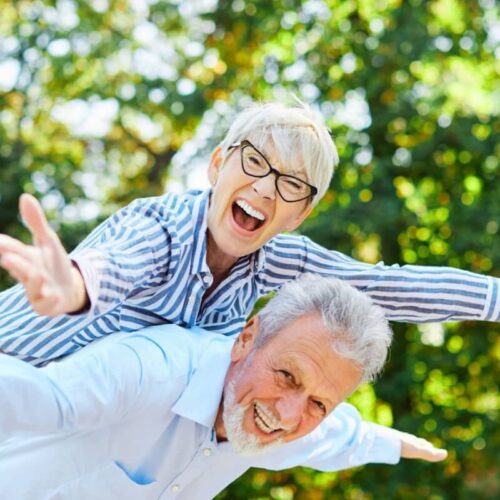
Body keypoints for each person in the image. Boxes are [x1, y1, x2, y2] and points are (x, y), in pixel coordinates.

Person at [0, 102, 497, 365]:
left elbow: (386, 286)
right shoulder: (162, 228)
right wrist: (74, 286)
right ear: (218, 164)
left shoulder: (276, 259)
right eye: (255, 161)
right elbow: (117, 262)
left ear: (300, 214)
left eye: (291, 184)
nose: (264, 188)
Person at [0, 276, 447, 499]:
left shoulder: (290, 427)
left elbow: (343, 436)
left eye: (318, 403)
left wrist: (397, 444)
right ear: (247, 338)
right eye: (287, 376)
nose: (288, 415)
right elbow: (40, 398)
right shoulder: (149, 370)